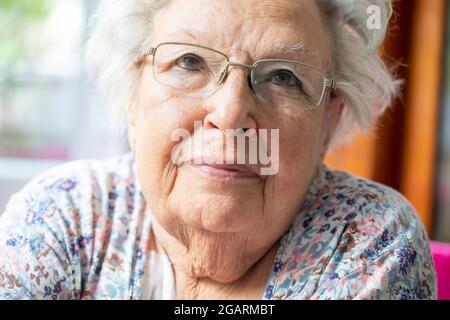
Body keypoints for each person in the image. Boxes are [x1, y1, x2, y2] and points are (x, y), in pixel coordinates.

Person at [0, 0, 436, 300]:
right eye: (189, 61)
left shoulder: (367, 238)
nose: (229, 114)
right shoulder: (65, 214)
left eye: (283, 76)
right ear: (133, 94)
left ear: (329, 121)